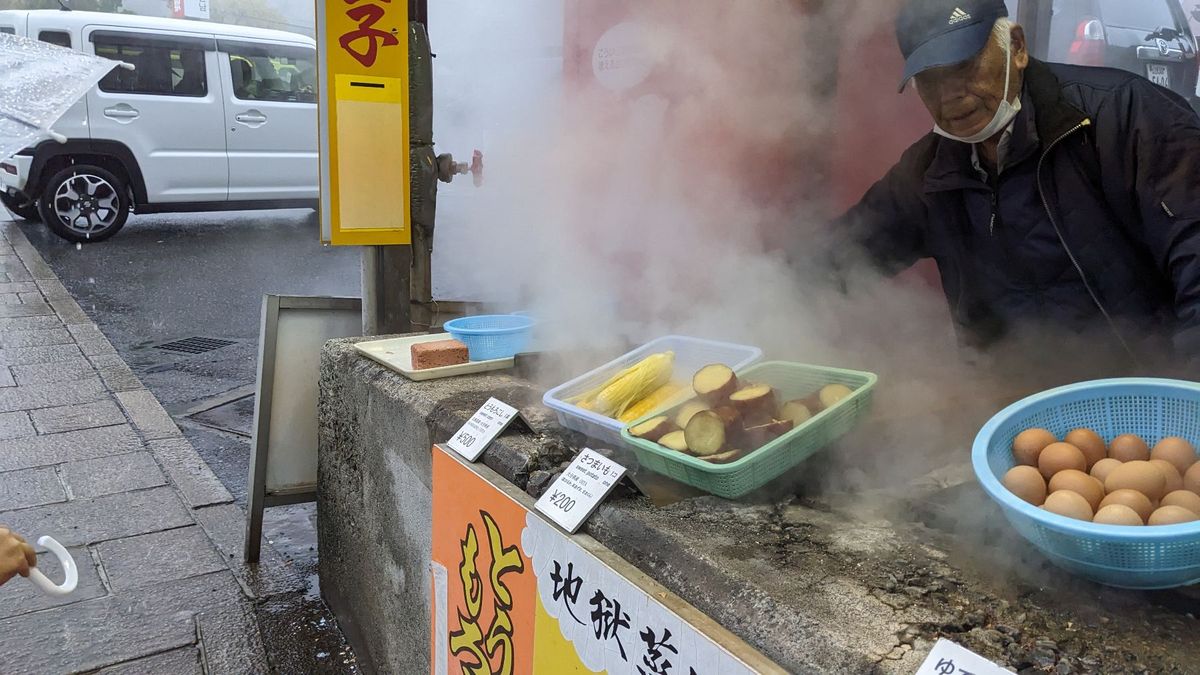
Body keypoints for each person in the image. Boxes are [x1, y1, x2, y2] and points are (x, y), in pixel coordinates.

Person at [830, 0, 1200, 371]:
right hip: (1010, 396)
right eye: (930, 78)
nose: (950, 94)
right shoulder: (928, 171)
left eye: (963, 65)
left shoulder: (1125, 116)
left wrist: (1185, 385)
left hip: (1139, 388)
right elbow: (847, 253)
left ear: (1017, 47)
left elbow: (1194, 248)